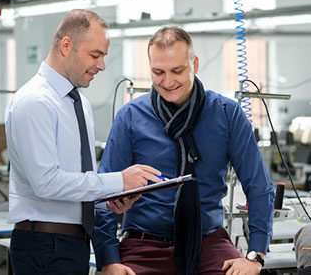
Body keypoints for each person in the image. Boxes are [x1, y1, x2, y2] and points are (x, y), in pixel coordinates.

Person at [93, 26, 275, 275]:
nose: (167, 82)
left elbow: (259, 187)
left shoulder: (227, 114)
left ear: (195, 64)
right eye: (158, 72)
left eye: (177, 71)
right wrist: (108, 259)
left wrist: (255, 255)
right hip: (143, 245)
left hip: (209, 243)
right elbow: (104, 190)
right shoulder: (131, 118)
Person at [5, 9, 162, 275]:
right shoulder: (34, 102)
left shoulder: (79, 104)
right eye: (95, 55)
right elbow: (46, 183)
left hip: (73, 244)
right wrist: (118, 181)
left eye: (103, 56)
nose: (101, 65)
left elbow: (76, 181)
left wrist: (108, 199)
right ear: (66, 46)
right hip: (44, 246)